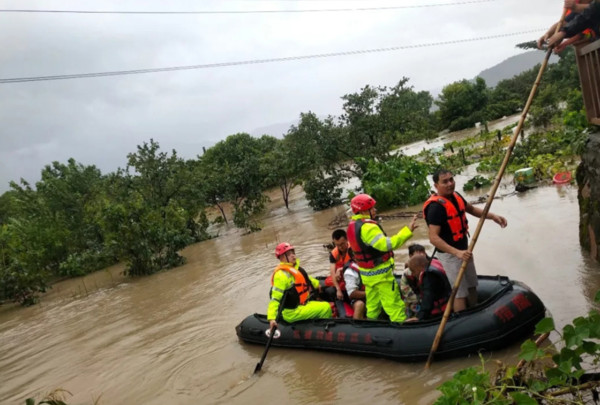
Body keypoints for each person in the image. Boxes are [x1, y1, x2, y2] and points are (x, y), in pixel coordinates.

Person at [423, 169, 507, 312]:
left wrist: (492, 216)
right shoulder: (435, 208)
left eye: (451, 179)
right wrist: (457, 253)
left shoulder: (456, 196)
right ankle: (463, 319)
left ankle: (475, 310)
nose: (450, 184)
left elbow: (472, 209)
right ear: (436, 186)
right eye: (445, 182)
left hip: (464, 250)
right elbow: (433, 238)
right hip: (450, 255)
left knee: (472, 285)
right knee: (460, 293)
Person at [346, 193, 417, 323]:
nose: (375, 210)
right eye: (372, 208)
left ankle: (371, 324)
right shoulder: (368, 227)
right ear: (363, 210)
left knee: (373, 305)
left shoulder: (352, 225)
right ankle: (401, 325)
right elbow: (387, 245)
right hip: (381, 275)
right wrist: (407, 231)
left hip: (367, 275)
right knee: (393, 303)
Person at [268, 242, 332, 329]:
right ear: (282, 257)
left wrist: (319, 284)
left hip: (302, 305)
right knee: (326, 308)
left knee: (324, 303)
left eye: (293, 253)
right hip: (292, 312)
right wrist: (272, 318)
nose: (293, 256)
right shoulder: (280, 275)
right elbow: (275, 298)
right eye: (289, 254)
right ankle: (322, 330)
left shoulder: (295, 269)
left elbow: (308, 280)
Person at [400, 243, 445, 317]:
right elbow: (406, 292)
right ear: (411, 256)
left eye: (422, 252)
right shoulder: (407, 273)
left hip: (431, 302)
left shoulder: (429, 273)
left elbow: (428, 294)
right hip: (415, 299)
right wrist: (419, 300)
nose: (421, 255)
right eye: (418, 253)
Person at [405, 255, 452, 322]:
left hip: (441, 312)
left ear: (420, 267)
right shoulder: (432, 264)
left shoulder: (428, 276)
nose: (413, 273)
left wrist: (419, 317)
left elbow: (428, 297)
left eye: (413, 270)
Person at [328, 229, 353, 301]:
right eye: (337, 245)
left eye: (342, 244)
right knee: (329, 283)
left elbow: (358, 265)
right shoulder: (333, 253)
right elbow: (332, 272)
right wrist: (338, 289)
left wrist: (341, 269)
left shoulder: (353, 249)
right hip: (340, 277)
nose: (340, 247)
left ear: (347, 240)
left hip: (352, 274)